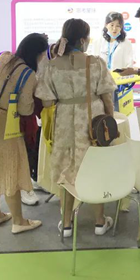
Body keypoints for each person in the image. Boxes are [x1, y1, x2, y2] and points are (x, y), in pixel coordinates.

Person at [35, 18, 118, 237]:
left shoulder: (51, 66)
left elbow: (46, 102)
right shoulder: (96, 63)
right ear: (82, 40)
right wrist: (109, 119)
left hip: (63, 123)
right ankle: (99, 222)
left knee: (66, 171)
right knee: (94, 168)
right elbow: (107, 97)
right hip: (92, 123)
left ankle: (67, 224)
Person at [0, 33, 49, 234]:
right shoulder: (28, 74)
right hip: (6, 125)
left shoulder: (4, 58)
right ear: (37, 54)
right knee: (11, 171)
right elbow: (26, 109)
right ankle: (18, 221)